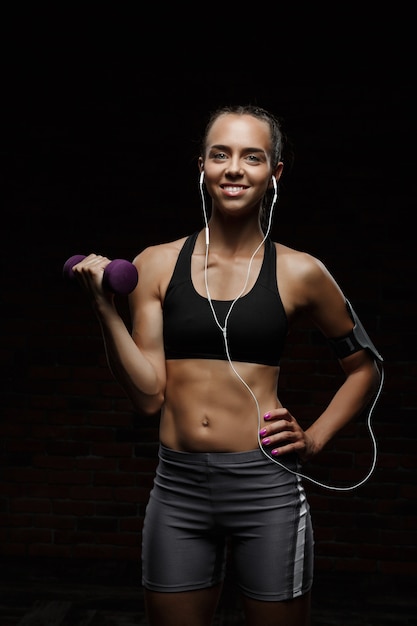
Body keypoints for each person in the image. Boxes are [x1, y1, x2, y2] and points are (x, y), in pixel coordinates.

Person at [71, 104, 382, 626]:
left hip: (266, 491)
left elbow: (365, 366)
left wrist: (316, 438)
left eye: (252, 157)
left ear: (274, 173)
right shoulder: (156, 263)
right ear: (202, 166)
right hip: (178, 491)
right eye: (221, 154)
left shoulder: (301, 272)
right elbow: (149, 395)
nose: (234, 168)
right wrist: (105, 309)